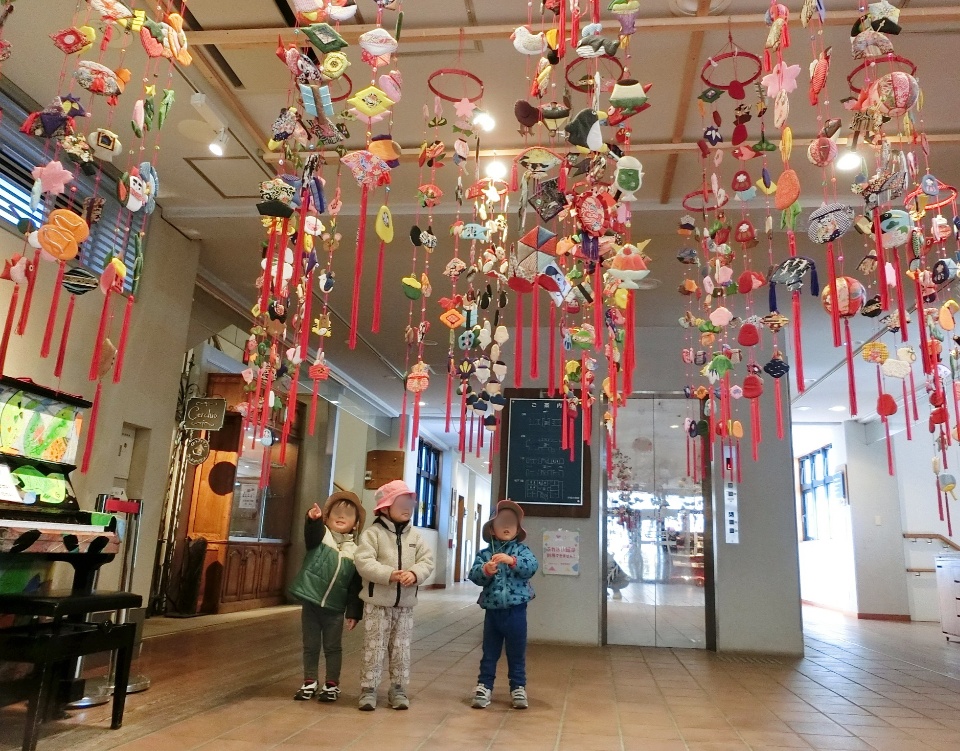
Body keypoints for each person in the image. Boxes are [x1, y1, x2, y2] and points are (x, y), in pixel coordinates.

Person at [354, 479, 435, 711]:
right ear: (385, 508)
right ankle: (368, 689)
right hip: (377, 604)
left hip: (405, 605)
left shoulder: (415, 537)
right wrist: (388, 574)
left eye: (410, 504)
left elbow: (427, 561)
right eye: (401, 504)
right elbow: (363, 562)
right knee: (374, 647)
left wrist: (415, 573)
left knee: (401, 648)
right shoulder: (373, 534)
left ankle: (398, 688)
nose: (407, 508)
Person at [288, 491, 366, 702]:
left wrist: (354, 613)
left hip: (335, 608)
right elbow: (311, 532)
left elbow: (355, 587)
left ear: (355, 524)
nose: (341, 516)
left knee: (333, 647)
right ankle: (309, 681)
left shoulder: (356, 552)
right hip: (311, 603)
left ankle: (332, 684)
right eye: (336, 513)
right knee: (310, 645)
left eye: (347, 515)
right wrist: (312, 519)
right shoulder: (321, 537)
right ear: (326, 518)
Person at [468, 500, 538, 710]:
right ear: (492, 529)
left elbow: (531, 567)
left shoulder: (522, 551)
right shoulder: (485, 554)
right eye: (501, 522)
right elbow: (474, 575)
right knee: (489, 652)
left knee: (516, 652)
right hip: (492, 612)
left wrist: (512, 561)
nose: (506, 526)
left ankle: (518, 687)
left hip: (517, 611)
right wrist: (486, 570)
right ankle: (484, 686)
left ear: (518, 530)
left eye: (511, 523)